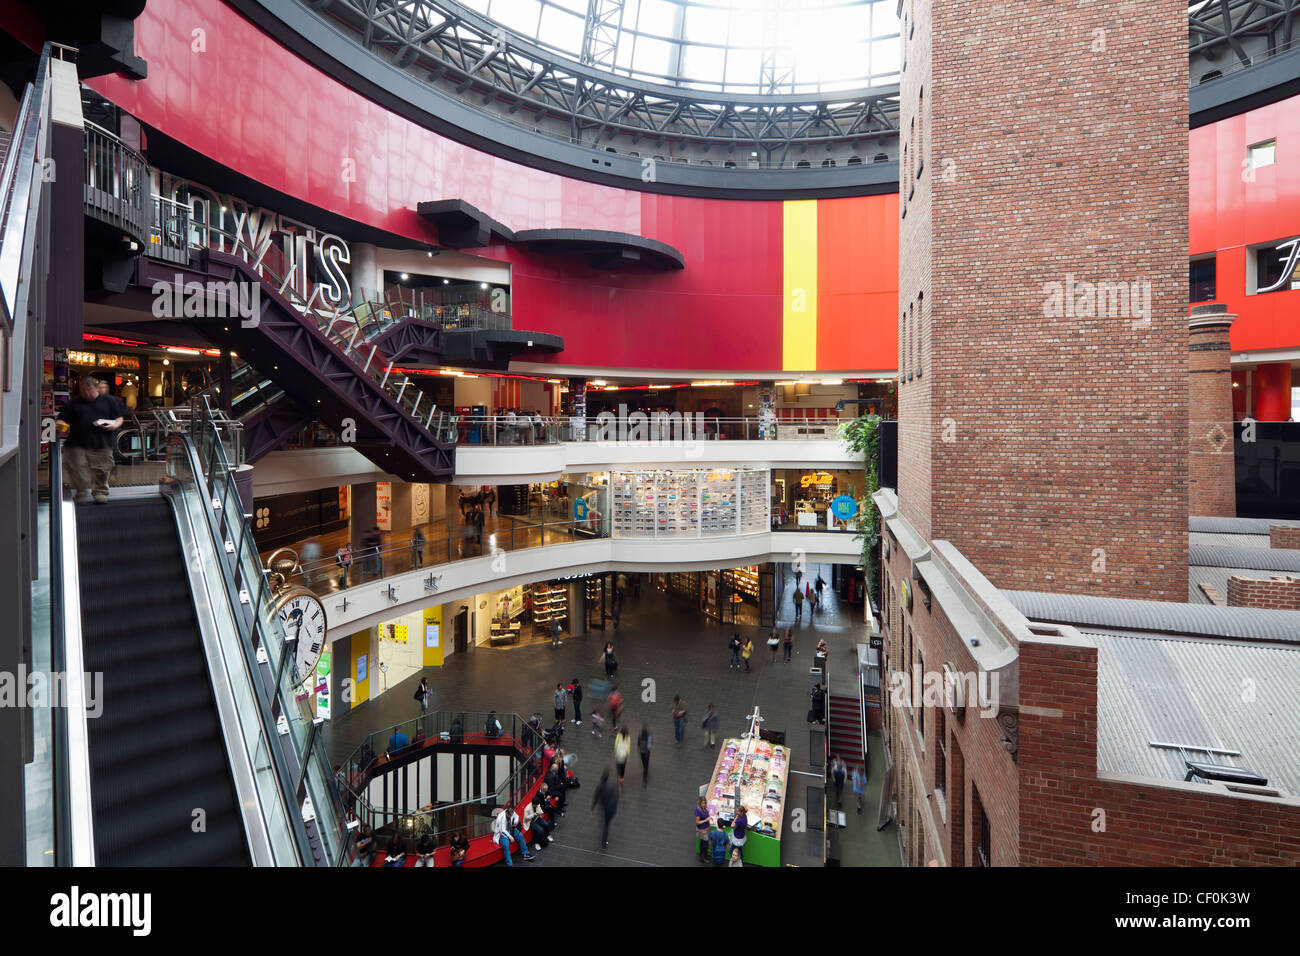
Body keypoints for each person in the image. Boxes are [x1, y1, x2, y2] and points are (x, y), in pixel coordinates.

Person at [58, 375, 126, 504]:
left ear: (97, 389)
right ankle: (81, 490)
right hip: (77, 442)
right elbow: (62, 418)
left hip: (102, 441)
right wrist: (61, 425)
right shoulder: (74, 403)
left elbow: (119, 418)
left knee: (102, 469)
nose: (87, 394)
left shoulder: (109, 401)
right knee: (77, 467)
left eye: (90, 391)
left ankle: (100, 491)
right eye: (84, 391)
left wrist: (115, 425)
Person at [590, 769, 619, 849]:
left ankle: (604, 842)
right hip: (611, 807)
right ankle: (604, 840)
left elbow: (595, 797)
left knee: (605, 824)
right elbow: (616, 796)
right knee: (607, 822)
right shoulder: (611, 785)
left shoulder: (599, 787)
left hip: (604, 806)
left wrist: (592, 808)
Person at [695, 798, 712, 862]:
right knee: (705, 844)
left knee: (703, 843)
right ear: (699, 803)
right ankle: (704, 858)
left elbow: (707, 814)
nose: (704, 804)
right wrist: (706, 820)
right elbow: (697, 822)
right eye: (702, 803)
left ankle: (702, 855)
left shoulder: (704, 808)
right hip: (702, 830)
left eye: (705, 803)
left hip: (707, 828)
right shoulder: (698, 810)